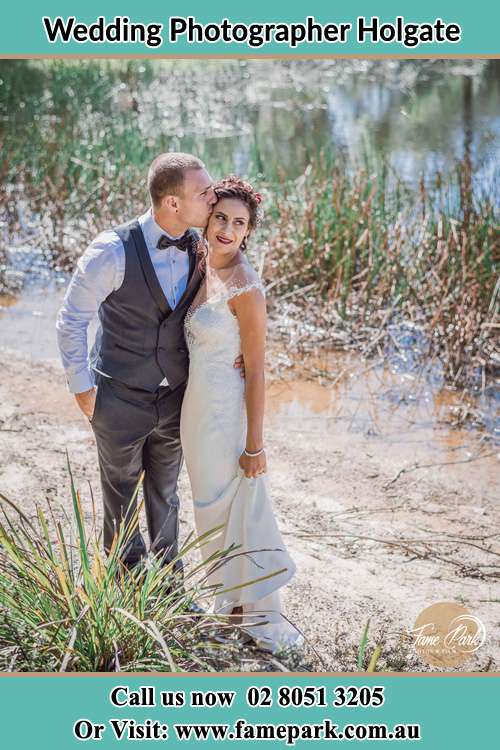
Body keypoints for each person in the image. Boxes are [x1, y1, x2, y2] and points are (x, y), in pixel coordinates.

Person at [56, 152, 243, 574]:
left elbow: (220, 315)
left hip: (175, 398)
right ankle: (126, 577)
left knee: (166, 491)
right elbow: (71, 319)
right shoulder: (111, 251)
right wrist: (82, 390)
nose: (213, 198)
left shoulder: (202, 247)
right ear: (173, 203)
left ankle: (167, 579)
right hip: (118, 397)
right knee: (120, 491)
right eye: (204, 192)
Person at [180, 176, 300, 652]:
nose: (228, 229)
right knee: (207, 510)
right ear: (208, 219)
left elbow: (256, 372)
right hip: (194, 413)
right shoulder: (199, 260)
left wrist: (256, 445)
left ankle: (248, 612)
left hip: (226, 417)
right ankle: (225, 604)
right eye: (222, 218)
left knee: (234, 508)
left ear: (249, 231)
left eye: (239, 223)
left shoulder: (247, 288)